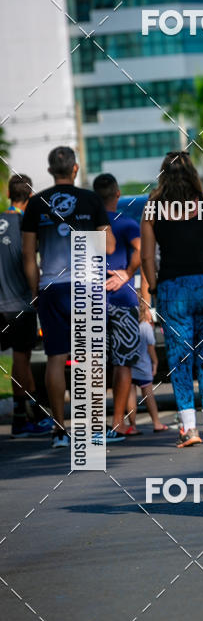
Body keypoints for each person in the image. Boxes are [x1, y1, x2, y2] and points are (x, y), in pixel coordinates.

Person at [141, 151, 203, 447]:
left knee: (179, 357)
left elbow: (146, 255)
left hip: (173, 287)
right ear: (192, 175)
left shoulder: (152, 209)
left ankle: (188, 428)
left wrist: (154, 284)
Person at [22, 147, 115, 449]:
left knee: (55, 359)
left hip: (51, 286)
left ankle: (60, 430)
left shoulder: (36, 204)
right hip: (86, 285)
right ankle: (95, 430)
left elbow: (28, 255)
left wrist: (35, 291)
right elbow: (109, 247)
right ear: (75, 169)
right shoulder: (90, 200)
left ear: (50, 171)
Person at [0, 174, 53, 437]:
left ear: (9, 195)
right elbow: (30, 261)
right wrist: (37, 293)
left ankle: (32, 413)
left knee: (19, 362)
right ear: (30, 196)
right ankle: (21, 419)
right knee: (22, 360)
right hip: (19, 304)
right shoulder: (24, 225)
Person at [92, 173, 141, 442]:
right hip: (122, 299)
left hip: (92, 302)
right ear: (118, 194)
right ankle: (117, 423)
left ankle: (98, 424)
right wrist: (127, 272)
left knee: (96, 363)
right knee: (123, 363)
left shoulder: (85, 225)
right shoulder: (127, 222)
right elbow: (141, 248)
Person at [125, 306, 169, 434]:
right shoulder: (146, 327)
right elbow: (151, 348)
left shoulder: (128, 325)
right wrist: (155, 363)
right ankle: (156, 422)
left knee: (131, 395)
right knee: (149, 396)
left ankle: (132, 425)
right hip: (144, 367)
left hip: (130, 367)